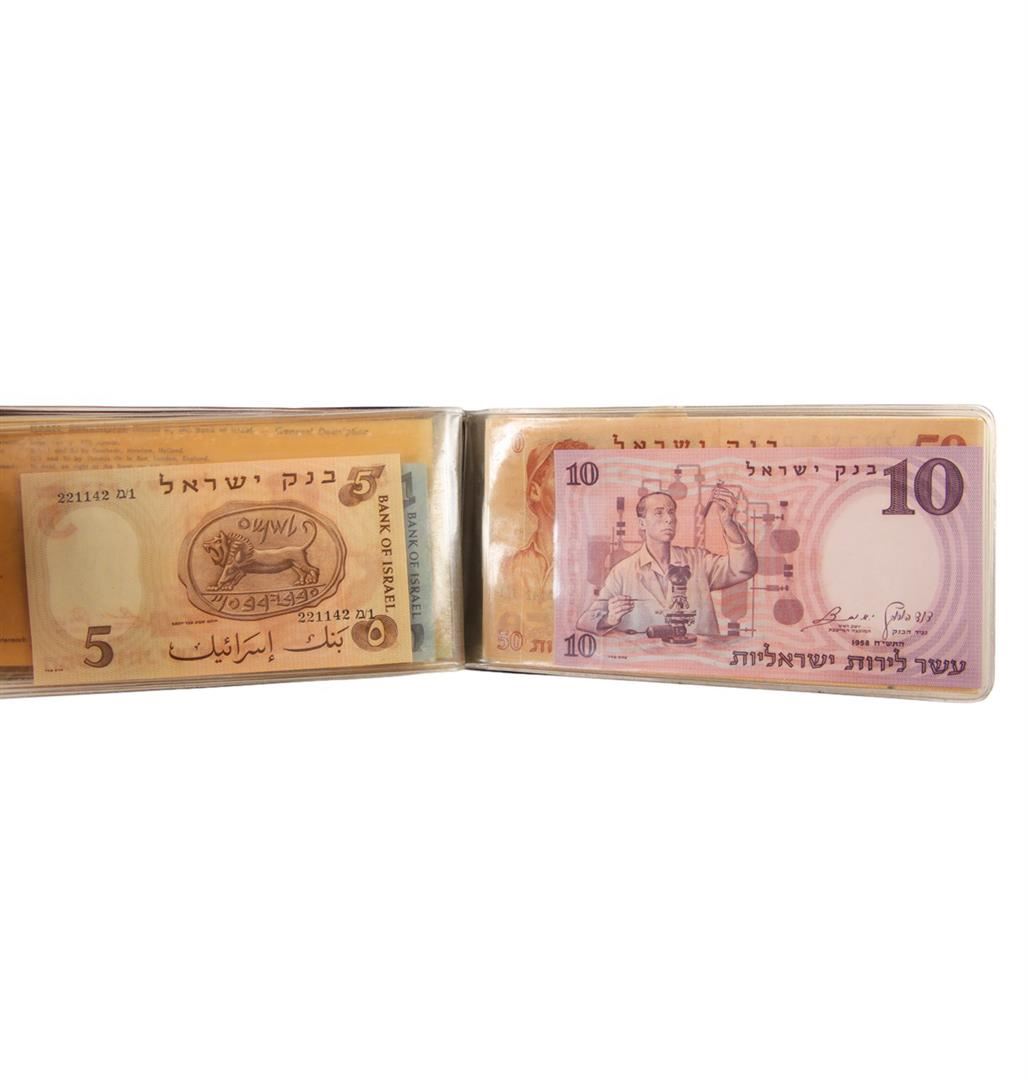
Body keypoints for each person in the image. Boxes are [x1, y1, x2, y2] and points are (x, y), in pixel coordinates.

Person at [577, 486, 757, 637]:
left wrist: (728, 523)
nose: (669, 519)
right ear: (642, 523)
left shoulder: (699, 560)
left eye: (671, 512)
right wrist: (609, 619)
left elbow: (744, 568)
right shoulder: (622, 572)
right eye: (659, 513)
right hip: (647, 662)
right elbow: (585, 621)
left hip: (697, 657)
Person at [501, 439, 589, 602]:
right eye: (566, 477)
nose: (577, 489)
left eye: (585, 479)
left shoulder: (596, 563)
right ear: (535, 491)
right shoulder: (510, 567)